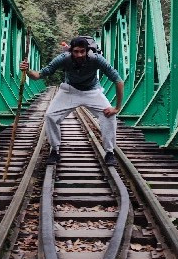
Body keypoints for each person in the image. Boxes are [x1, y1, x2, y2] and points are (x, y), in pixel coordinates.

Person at [20, 36, 124, 166]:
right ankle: (55, 150)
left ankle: (109, 152)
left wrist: (117, 108)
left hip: (92, 91)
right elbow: (39, 75)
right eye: (76, 51)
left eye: (82, 51)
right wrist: (27, 71)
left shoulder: (97, 59)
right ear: (71, 51)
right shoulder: (64, 58)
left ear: (87, 50)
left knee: (109, 116)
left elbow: (119, 81)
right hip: (70, 90)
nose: (79, 55)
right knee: (50, 116)